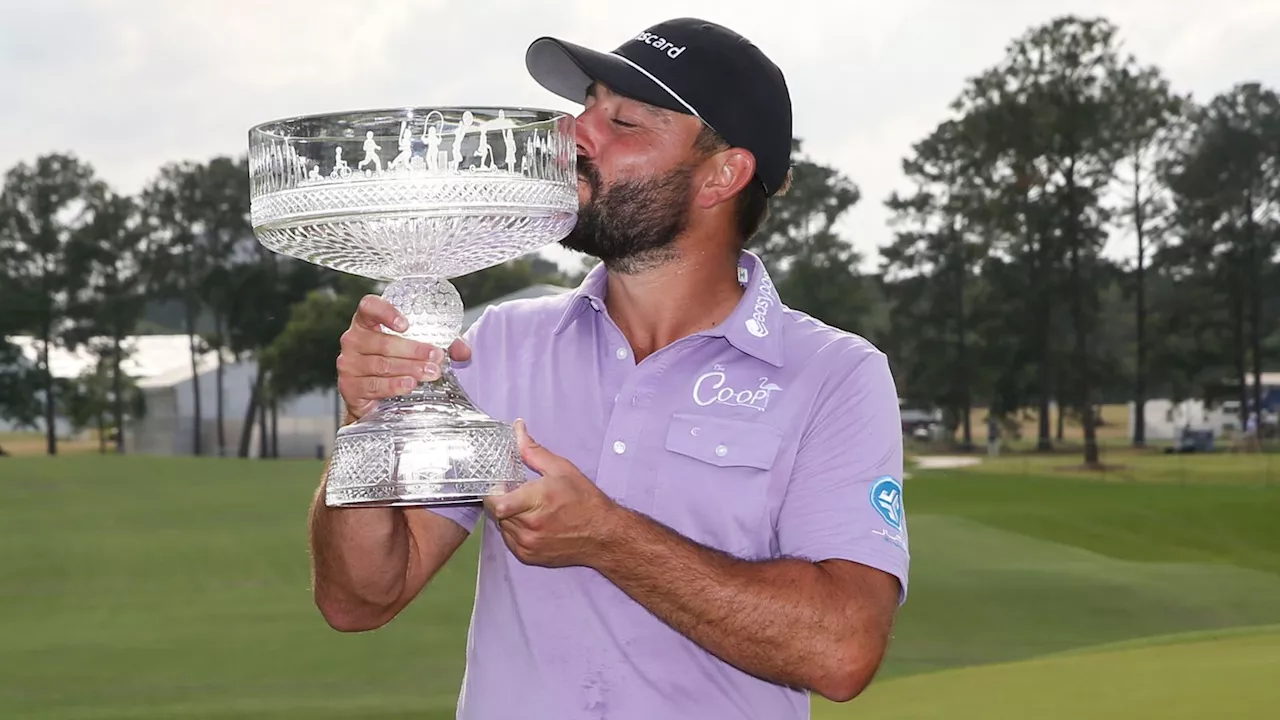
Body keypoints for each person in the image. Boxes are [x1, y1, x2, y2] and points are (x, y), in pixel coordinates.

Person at [313, 17, 909, 720]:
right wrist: (369, 423)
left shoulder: (834, 376)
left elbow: (842, 650)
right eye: (585, 106)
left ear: (723, 174)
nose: (573, 134)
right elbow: (359, 599)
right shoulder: (501, 342)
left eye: (622, 120)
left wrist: (609, 538)